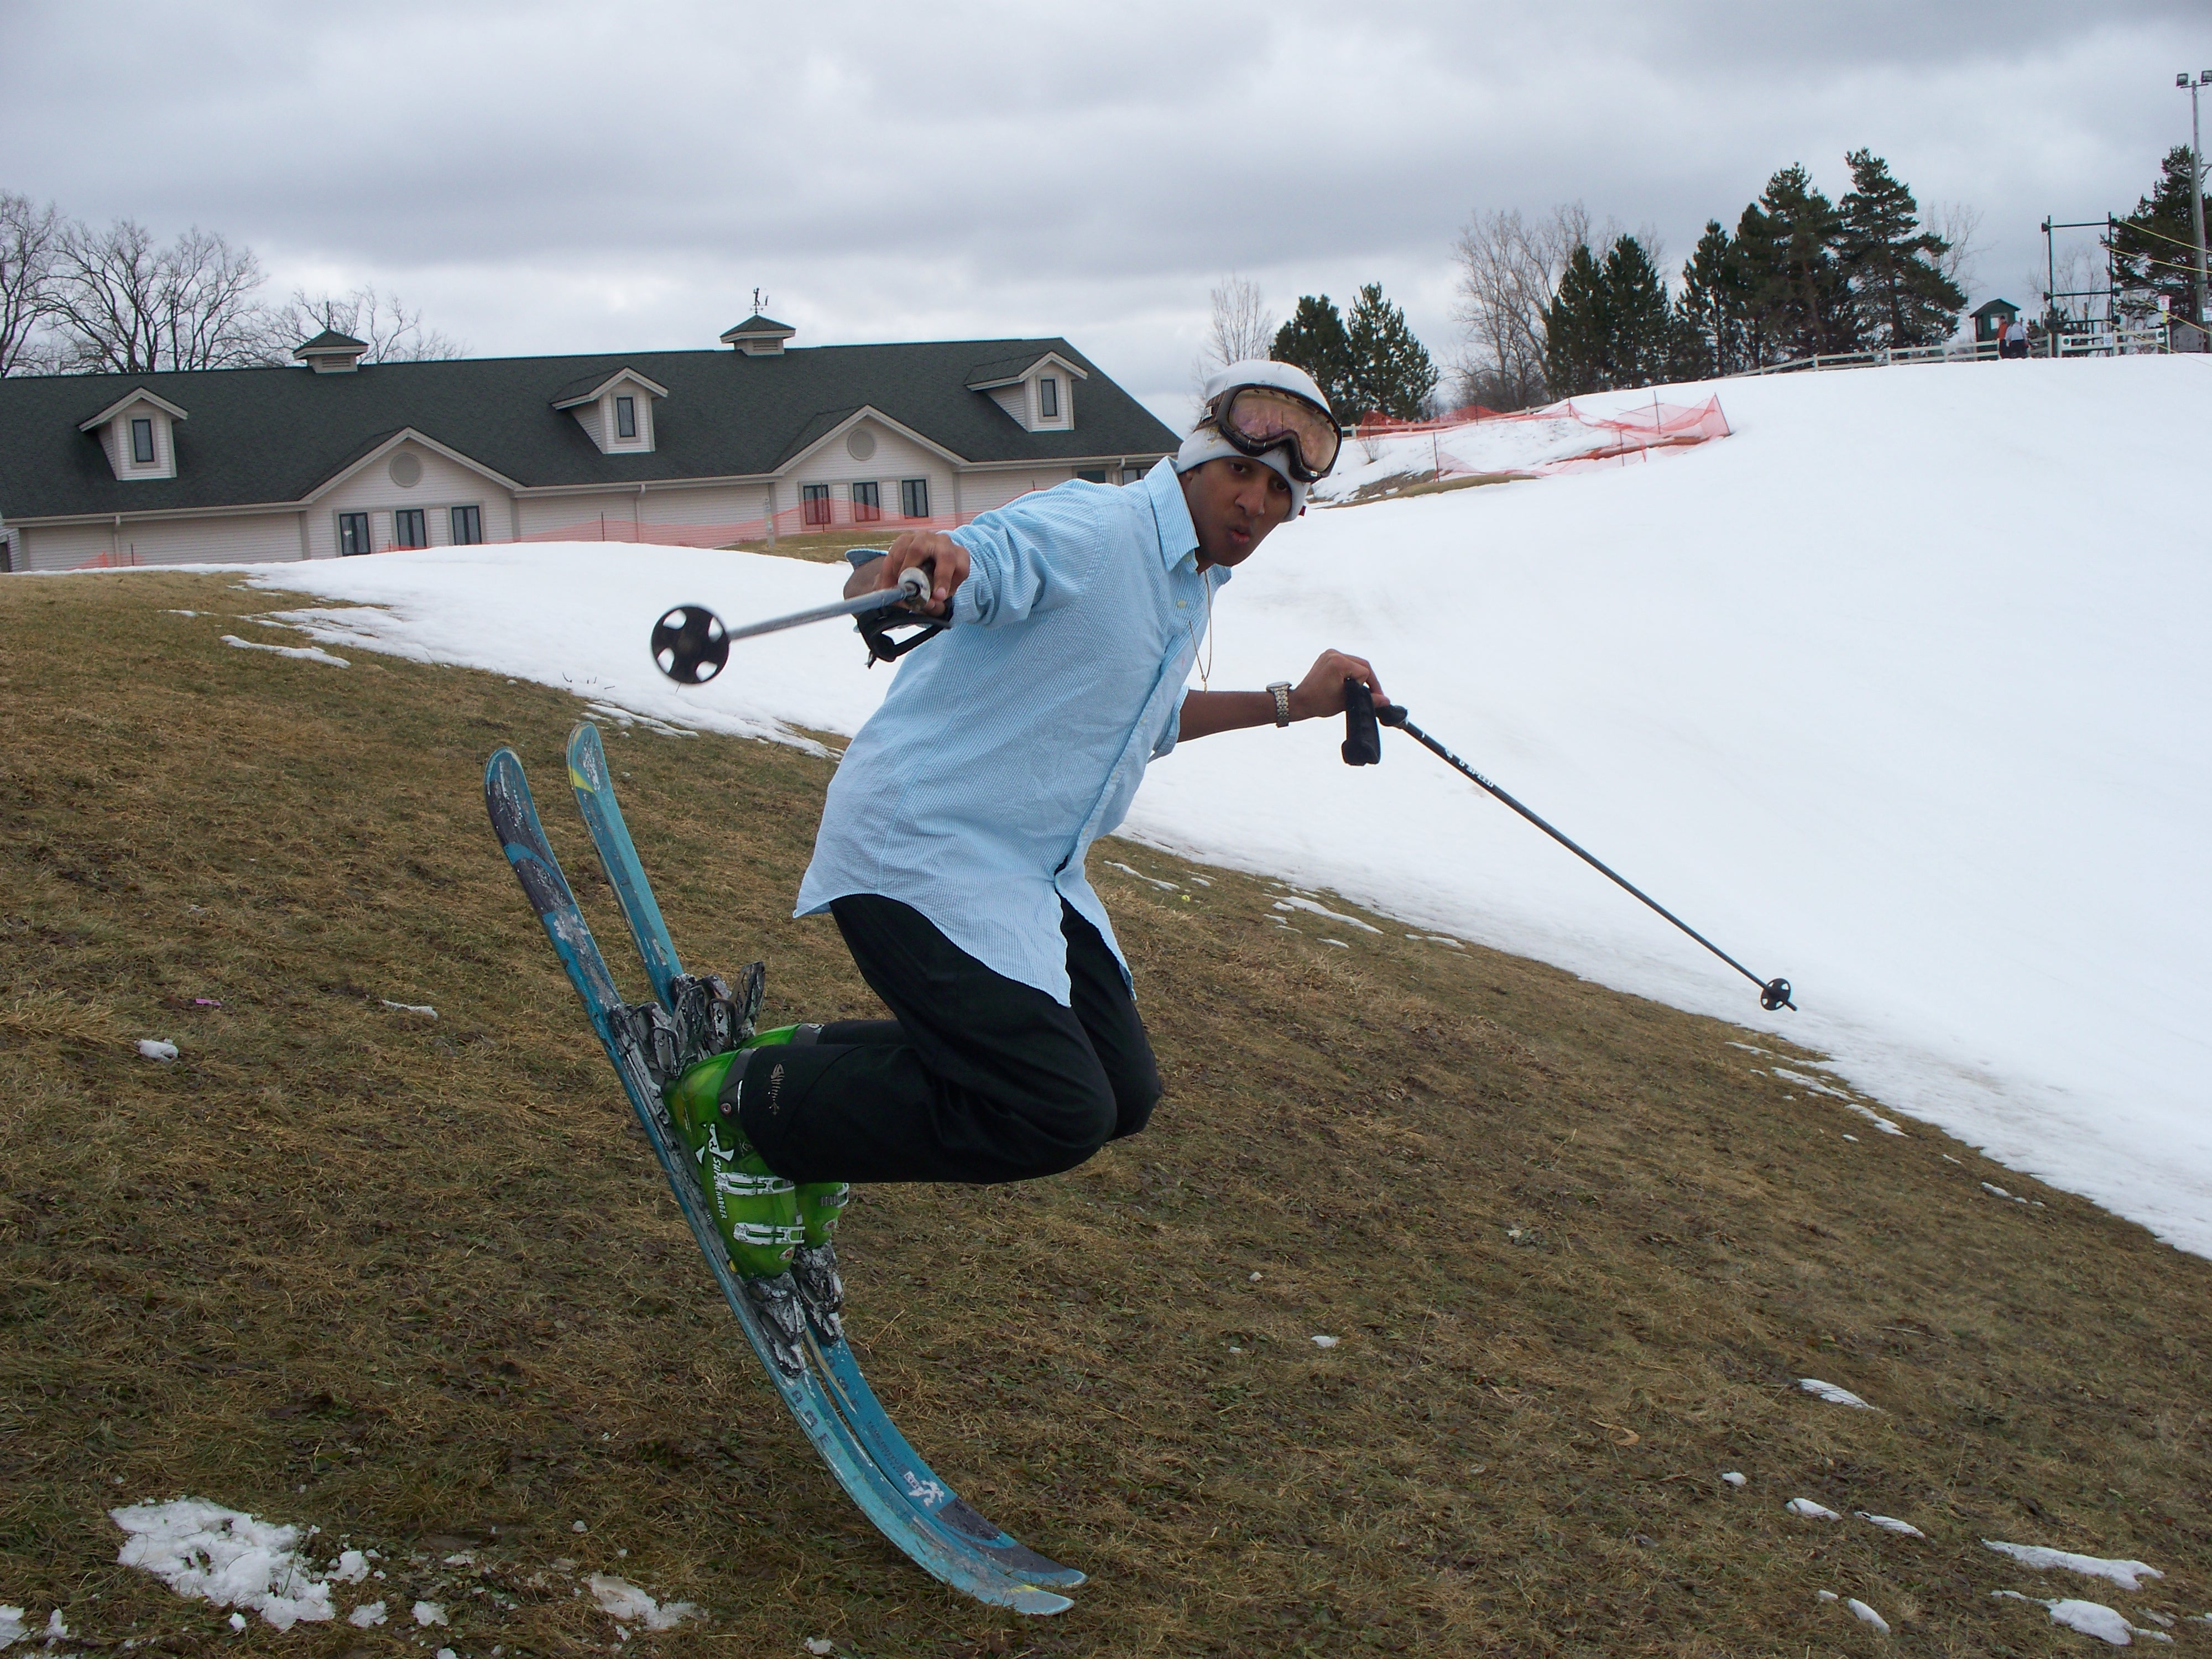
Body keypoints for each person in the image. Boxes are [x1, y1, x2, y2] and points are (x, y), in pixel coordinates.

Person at [662, 359, 1384, 1279]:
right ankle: (750, 1110)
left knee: (1121, 1092)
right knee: (1053, 1108)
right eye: (1241, 473)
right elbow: (972, 565)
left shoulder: (1189, 583)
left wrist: (1295, 702)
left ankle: (808, 1073)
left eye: (1278, 492)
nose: (1253, 502)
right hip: (920, 848)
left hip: (1032, 874)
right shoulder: (1098, 528)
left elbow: (1145, 722)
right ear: (1198, 459)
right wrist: (928, 564)